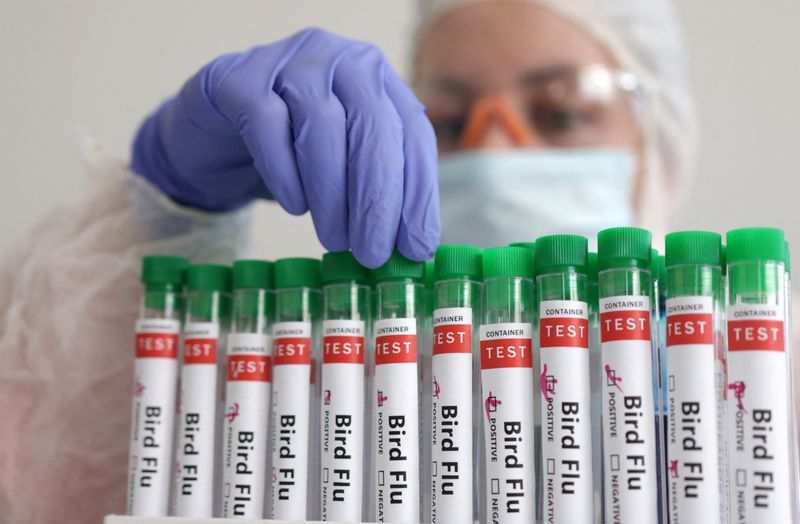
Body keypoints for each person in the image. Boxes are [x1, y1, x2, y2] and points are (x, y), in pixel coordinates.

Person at [0, 0, 698, 522]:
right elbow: (61, 483)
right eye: (446, 122)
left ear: (660, 140)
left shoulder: (756, 382)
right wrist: (166, 217)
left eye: (564, 110)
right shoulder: (304, 405)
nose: (495, 152)